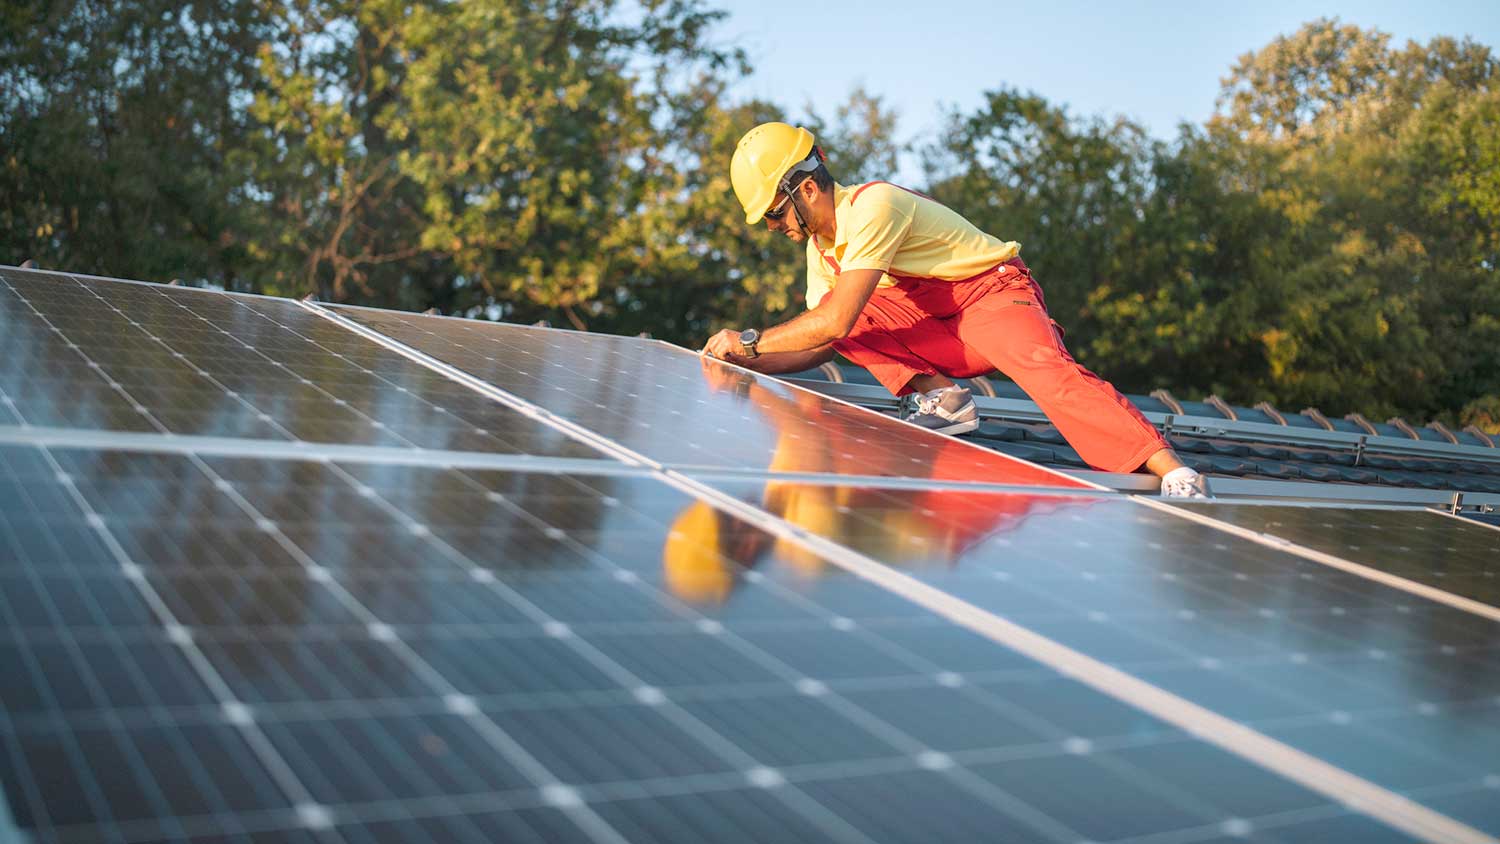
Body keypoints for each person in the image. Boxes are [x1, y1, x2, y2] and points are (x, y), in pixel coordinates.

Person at [701, 122, 1211, 498]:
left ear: (806, 188)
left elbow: (834, 322)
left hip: (991, 297)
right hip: (938, 327)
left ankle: (1172, 471)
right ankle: (943, 399)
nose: (773, 228)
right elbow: (823, 342)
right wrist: (742, 362)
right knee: (840, 312)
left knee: (1047, 376)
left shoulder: (873, 207)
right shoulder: (823, 254)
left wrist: (748, 341)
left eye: (773, 213)